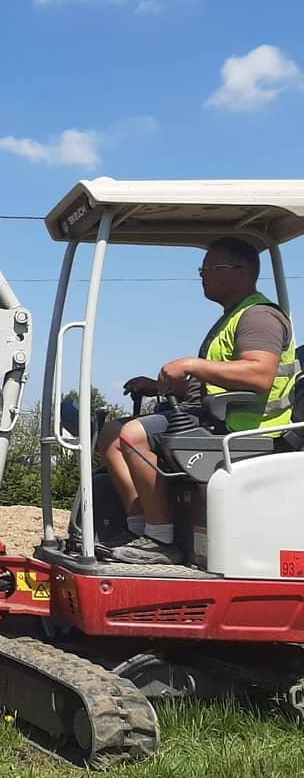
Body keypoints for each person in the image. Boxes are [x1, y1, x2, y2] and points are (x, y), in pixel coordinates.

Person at [96, 237, 296, 565]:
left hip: (246, 430)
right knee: (111, 436)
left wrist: (191, 364)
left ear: (243, 272)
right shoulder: (233, 317)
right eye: (201, 269)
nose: (202, 275)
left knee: (132, 436)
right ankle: (138, 531)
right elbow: (213, 386)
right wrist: (161, 388)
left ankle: (161, 540)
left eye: (210, 268)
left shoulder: (259, 317)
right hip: (216, 418)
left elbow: (260, 374)